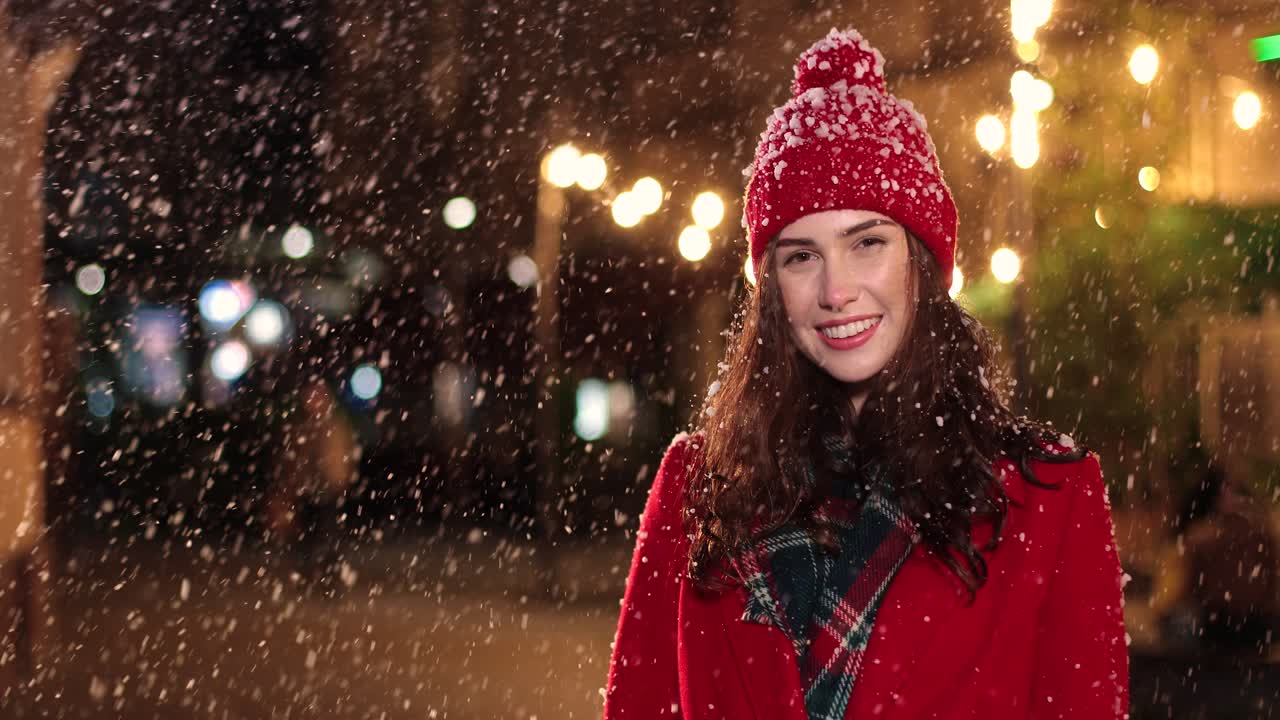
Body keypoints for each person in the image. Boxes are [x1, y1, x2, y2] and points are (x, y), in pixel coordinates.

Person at [603, 28, 1128, 720]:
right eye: (801, 257)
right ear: (771, 290)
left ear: (922, 262)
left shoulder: (1051, 499)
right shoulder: (697, 489)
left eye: (867, 243)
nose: (836, 291)